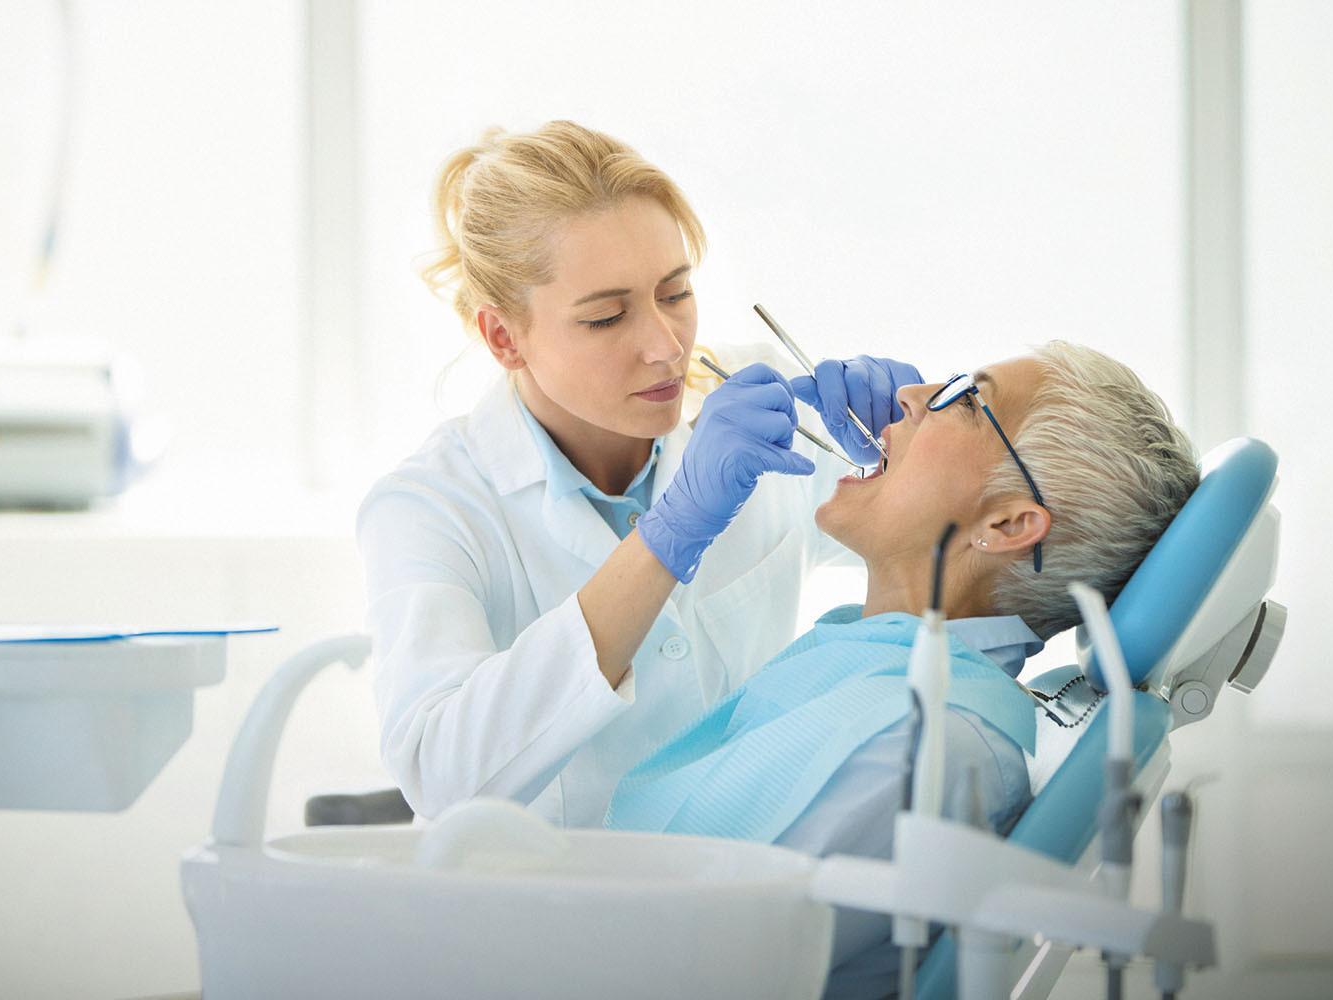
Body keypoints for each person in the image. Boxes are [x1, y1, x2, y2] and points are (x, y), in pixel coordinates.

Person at [357, 120, 923, 826]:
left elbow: (961, 545)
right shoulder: (432, 506)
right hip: (551, 910)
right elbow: (440, 774)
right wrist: (669, 536)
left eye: (675, 293)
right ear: (504, 337)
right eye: (605, 318)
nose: (665, 347)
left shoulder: (755, 405)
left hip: (745, 877)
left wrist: (909, 448)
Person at [604, 341, 1200, 998]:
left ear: (1006, 524)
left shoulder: (920, 744)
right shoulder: (882, 675)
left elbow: (682, 965)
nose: (911, 395)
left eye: (966, 402)